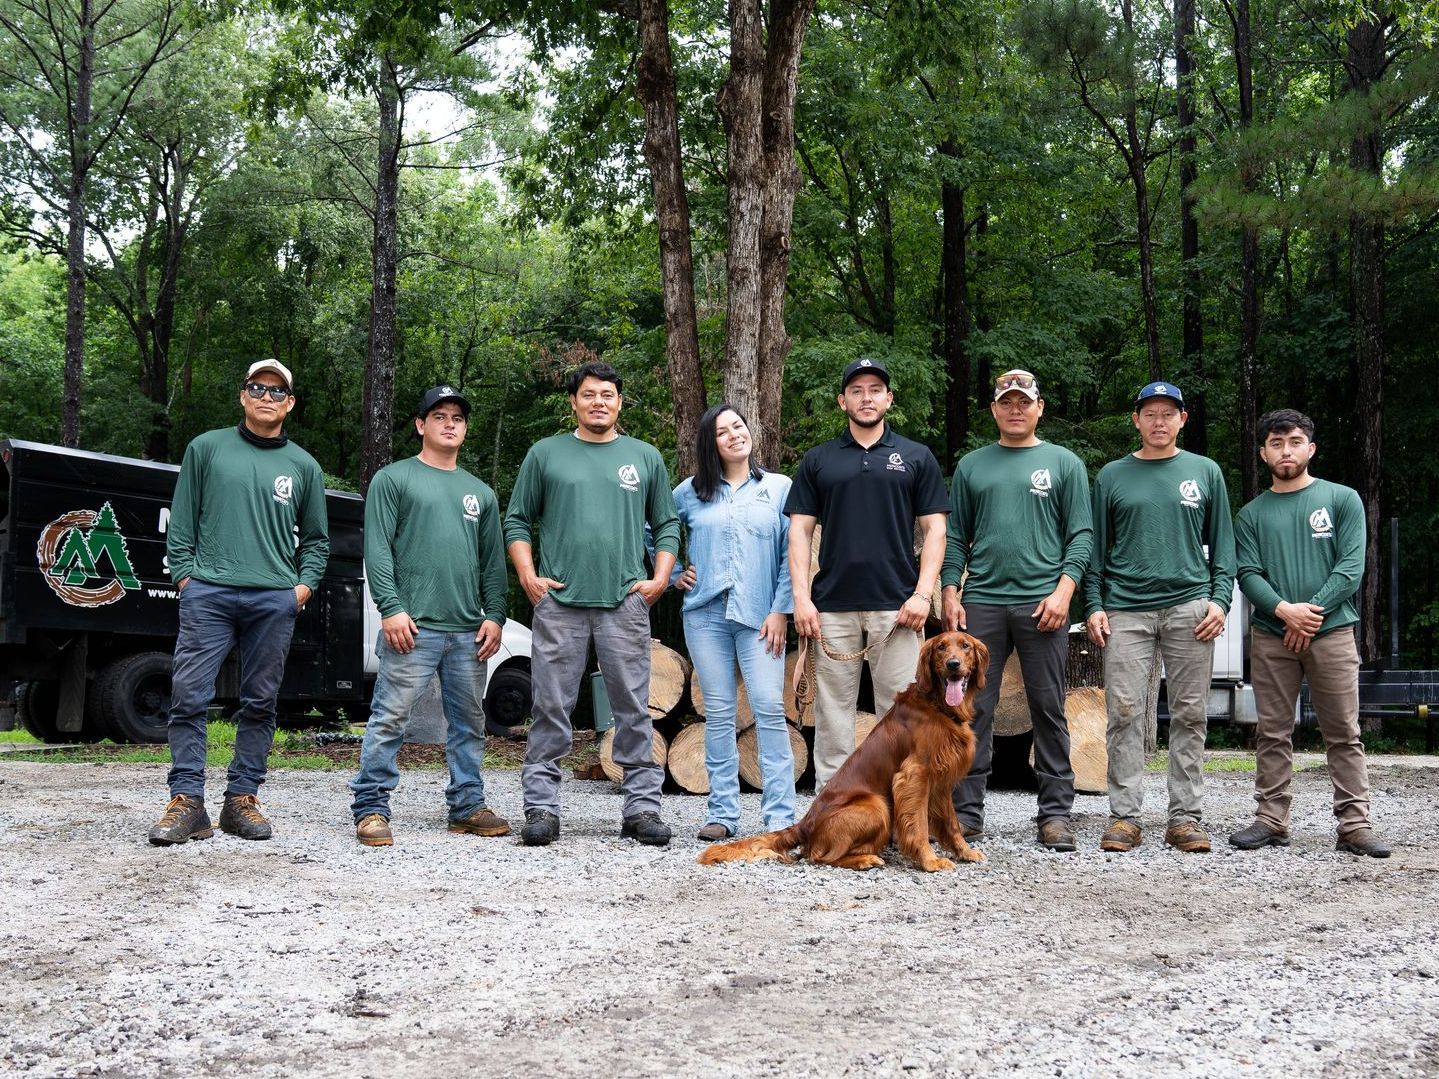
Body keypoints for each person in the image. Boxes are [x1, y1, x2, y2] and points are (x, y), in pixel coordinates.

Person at [148, 359, 330, 845]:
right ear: (243, 395)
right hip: (208, 592)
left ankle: (240, 800)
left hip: (273, 597)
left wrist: (302, 586)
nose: (266, 396)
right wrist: (186, 576)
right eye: (257, 387)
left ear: (289, 403)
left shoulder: (304, 466)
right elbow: (182, 520)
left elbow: (316, 540)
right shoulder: (206, 449)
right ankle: (188, 800)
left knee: (260, 701)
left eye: (277, 391)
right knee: (188, 695)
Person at [504, 361, 680, 847]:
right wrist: (527, 576)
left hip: (624, 601)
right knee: (551, 705)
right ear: (574, 403)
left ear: (619, 402)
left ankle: (641, 809)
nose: (598, 401)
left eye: (607, 394)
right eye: (588, 394)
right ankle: (541, 808)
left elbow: (666, 524)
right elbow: (517, 520)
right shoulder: (546, 454)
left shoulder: (644, 457)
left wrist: (660, 577)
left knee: (632, 707)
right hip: (559, 601)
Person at [349, 386, 511, 847]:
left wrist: (495, 615)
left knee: (469, 723)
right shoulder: (394, 479)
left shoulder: (479, 493)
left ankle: (466, 805)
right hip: (411, 628)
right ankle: (372, 808)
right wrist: (392, 608)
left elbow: (492, 564)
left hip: (467, 632)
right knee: (389, 719)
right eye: (439, 416)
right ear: (421, 425)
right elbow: (377, 550)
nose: (449, 423)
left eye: (457, 417)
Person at [942, 369, 1093, 852]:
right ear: (994, 409)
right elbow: (955, 536)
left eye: (1023, 401)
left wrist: (1064, 592)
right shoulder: (972, 466)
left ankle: (1054, 815)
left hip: (1042, 603)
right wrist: (950, 589)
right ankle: (965, 814)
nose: (1015, 409)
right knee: (972, 710)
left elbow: (1081, 536)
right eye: (1006, 401)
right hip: (981, 602)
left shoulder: (1064, 463)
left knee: (1048, 708)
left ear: (1039, 407)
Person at [1229, 410, 1390, 857]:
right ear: (1263, 453)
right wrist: (1284, 612)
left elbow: (1351, 568)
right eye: (1276, 444)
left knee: (1342, 731)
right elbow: (1247, 572)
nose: (1286, 450)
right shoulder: (1251, 515)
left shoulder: (1342, 500)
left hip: (1332, 632)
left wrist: (1309, 615)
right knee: (1272, 731)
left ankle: (1355, 825)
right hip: (1270, 635)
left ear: (1310, 448)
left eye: (1295, 441)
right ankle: (1271, 820)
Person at [1085, 380, 1235, 854]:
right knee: (1124, 712)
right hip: (1126, 607)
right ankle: (1125, 817)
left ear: (1182, 420)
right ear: (1136, 419)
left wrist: (1220, 599)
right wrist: (1093, 603)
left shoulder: (1204, 472)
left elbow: (1224, 544)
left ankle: (1185, 818)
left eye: (1168, 413)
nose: (1158, 421)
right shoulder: (1112, 475)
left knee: (1191, 713)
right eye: (1149, 413)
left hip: (1191, 605)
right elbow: (1095, 551)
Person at [785, 357, 949, 790]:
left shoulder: (916, 456)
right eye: (856, 390)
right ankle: (834, 813)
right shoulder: (819, 460)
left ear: (889, 399)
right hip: (832, 608)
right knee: (833, 718)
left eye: (875, 389)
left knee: (902, 720)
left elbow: (936, 531)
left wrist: (922, 595)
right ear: (843, 401)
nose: (866, 397)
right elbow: (799, 533)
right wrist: (802, 599)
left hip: (897, 609)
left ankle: (902, 817)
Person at [672, 403, 796, 841]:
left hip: (761, 617)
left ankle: (781, 818)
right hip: (704, 616)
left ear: (750, 432)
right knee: (720, 714)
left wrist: (782, 609)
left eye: (738, 426)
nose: (733, 435)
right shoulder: (688, 493)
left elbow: (791, 555)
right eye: (722, 432)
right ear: (711, 443)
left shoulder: (779, 488)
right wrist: (671, 573)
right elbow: (655, 532)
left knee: (769, 709)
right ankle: (722, 813)